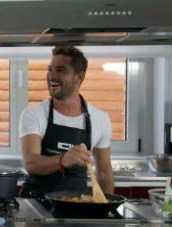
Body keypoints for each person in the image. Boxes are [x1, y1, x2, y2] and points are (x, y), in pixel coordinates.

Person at [19, 45, 114, 198]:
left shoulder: (100, 119)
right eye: (50, 69)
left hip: (76, 206)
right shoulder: (34, 113)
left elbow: (104, 172)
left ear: (79, 76)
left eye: (60, 70)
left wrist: (107, 209)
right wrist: (63, 159)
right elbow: (31, 163)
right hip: (36, 205)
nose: (52, 76)